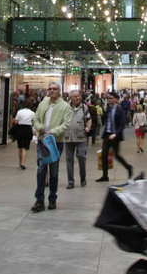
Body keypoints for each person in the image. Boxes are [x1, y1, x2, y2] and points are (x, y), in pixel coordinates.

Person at [31, 83, 72, 212]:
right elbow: (36, 119)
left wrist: (53, 132)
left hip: (55, 142)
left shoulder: (65, 107)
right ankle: (39, 200)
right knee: (41, 169)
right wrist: (39, 128)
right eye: (50, 89)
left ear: (60, 91)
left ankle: (52, 198)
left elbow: (66, 124)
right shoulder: (43, 104)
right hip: (42, 141)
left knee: (53, 171)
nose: (52, 91)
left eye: (55, 89)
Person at [100, 91, 134, 182]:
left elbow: (122, 124)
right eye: (108, 98)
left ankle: (128, 167)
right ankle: (105, 175)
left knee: (117, 155)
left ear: (116, 99)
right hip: (107, 134)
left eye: (111, 98)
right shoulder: (108, 109)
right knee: (104, 154)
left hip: (115, 135)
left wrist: (115, 134)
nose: (109, 100)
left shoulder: (120, 110)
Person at [63, 89, 91, 189]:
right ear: (70, 98)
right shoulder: (66, 107)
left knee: (81, 157)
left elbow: (89, 119)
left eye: (79, 96)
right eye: (75, 96)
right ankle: (71, 181)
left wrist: (88, 127)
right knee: (69, 160)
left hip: (81, 137)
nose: (78, 98)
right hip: (68, 137)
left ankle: (83, 178)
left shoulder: (84, 107)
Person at [11, 98, 35, 169]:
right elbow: (34, 122)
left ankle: (20, 161)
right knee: (25, 147)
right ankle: (23, 163)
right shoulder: (32, 113)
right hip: (28, 129)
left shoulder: (19, 112)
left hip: (20, 129)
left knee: (20, 147)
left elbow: (16, 121)